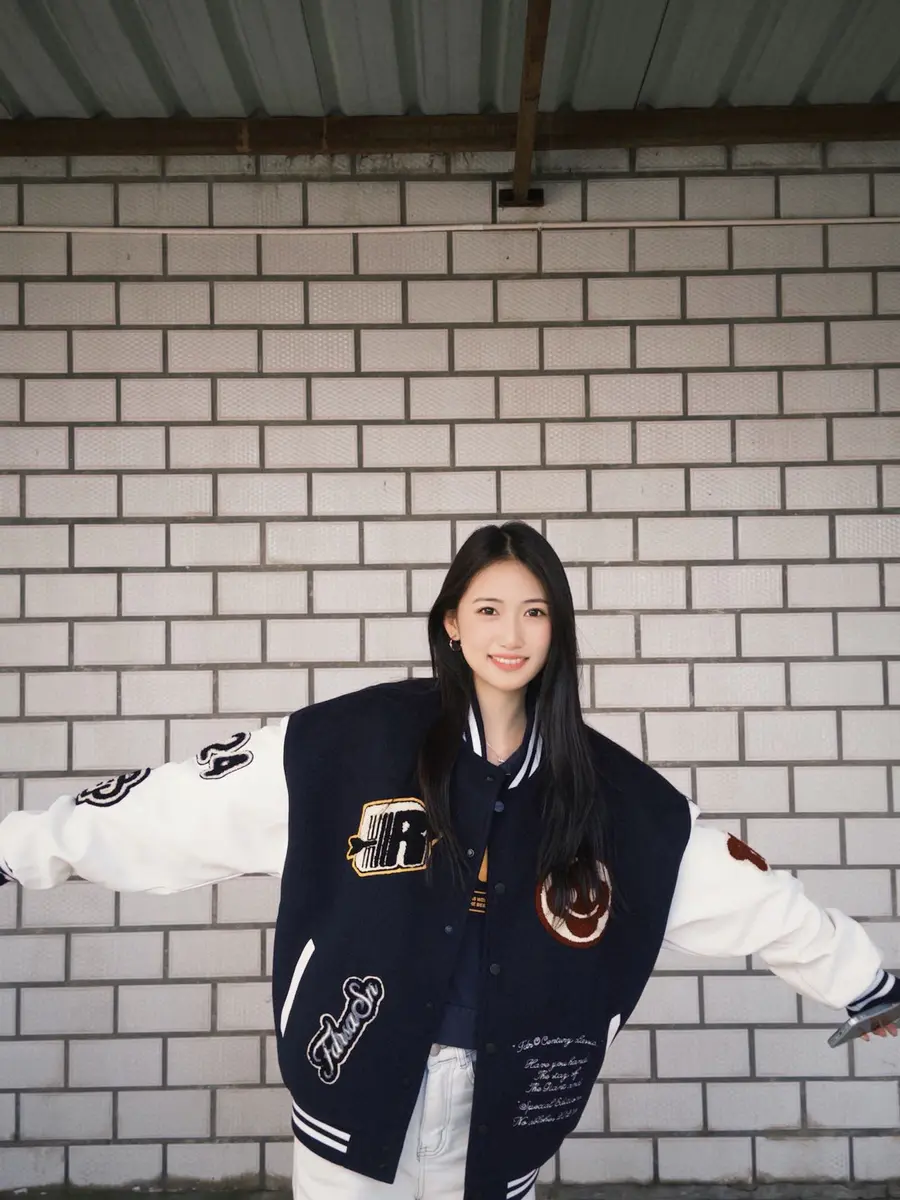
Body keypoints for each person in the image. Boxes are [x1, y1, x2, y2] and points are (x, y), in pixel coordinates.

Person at [0, 521, 896, 1200]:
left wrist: (864, 982)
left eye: (535, 611)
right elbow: (175, 806)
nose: (513, 632)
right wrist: (21, 849)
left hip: (505, 1106)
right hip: (354, 1086)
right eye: (490, 609)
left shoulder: (612, 794)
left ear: (558, 630)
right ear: (452, 622)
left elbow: (745, 892)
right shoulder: (349, 745)